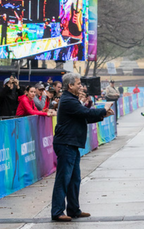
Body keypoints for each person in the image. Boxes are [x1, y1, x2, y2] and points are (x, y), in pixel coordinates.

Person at [51, 72, 114, 222]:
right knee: (63, 179)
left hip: (72, 144)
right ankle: (57, 211)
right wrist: (103, 110)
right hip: (66, 144)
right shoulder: (67, 101)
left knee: (75, 179)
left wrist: (102, 115)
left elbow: (83, 117)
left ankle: (74, 209)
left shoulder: (72, 99)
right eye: (78, 84)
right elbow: (85, 112)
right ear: (70, 85)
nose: (81, 86)